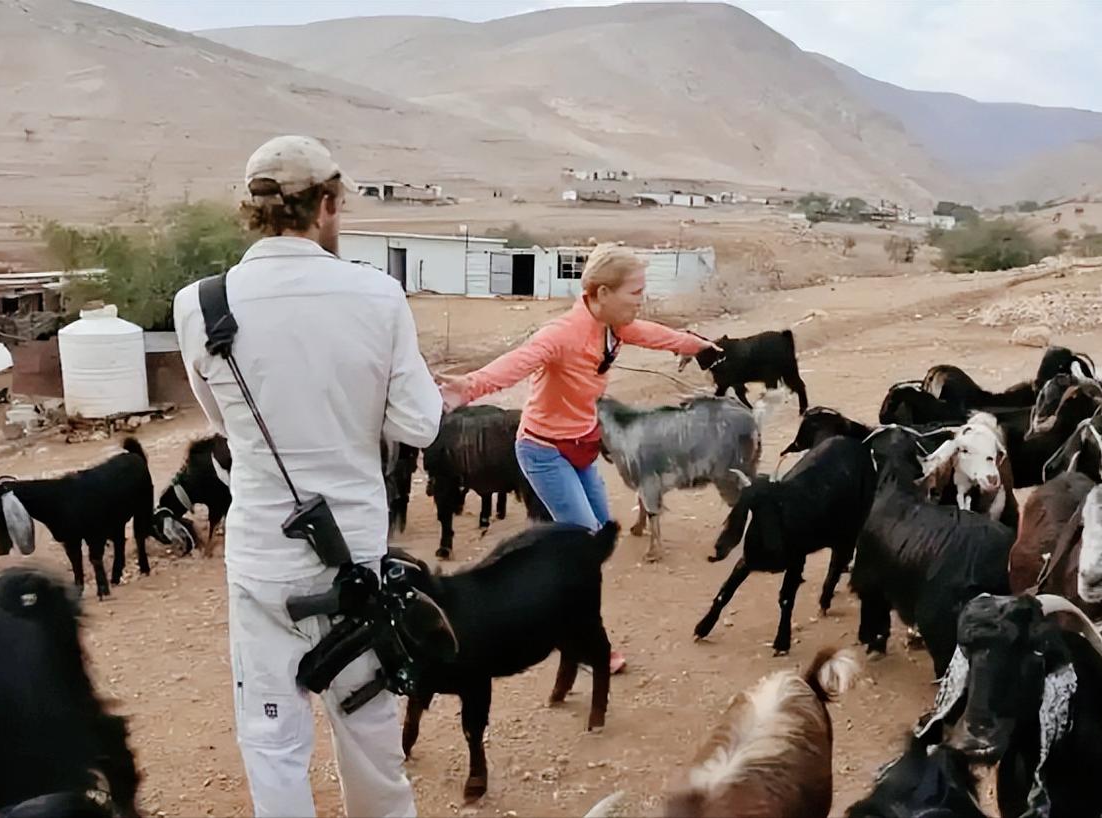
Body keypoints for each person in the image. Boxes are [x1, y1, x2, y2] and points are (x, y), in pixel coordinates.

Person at [172, 135, 441, 818]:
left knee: (272, 747)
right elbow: (420, 425)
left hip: (262, 564)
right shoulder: (378, 295)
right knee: (370, 737)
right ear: (327, 203)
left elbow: (223, 419)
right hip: (354, 563)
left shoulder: (201, 305)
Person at [437, 244, 715, 674]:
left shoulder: (613, 328)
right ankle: (583, 643)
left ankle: (555, 611)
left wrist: (695, 345)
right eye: (635, 292)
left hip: (580, 448)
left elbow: (653, 333)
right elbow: (516, 363)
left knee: (600, 538)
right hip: (544, 451)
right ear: (602, 293)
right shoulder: (562, 334)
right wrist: (468, 387)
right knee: (583, 549)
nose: (641, 300)